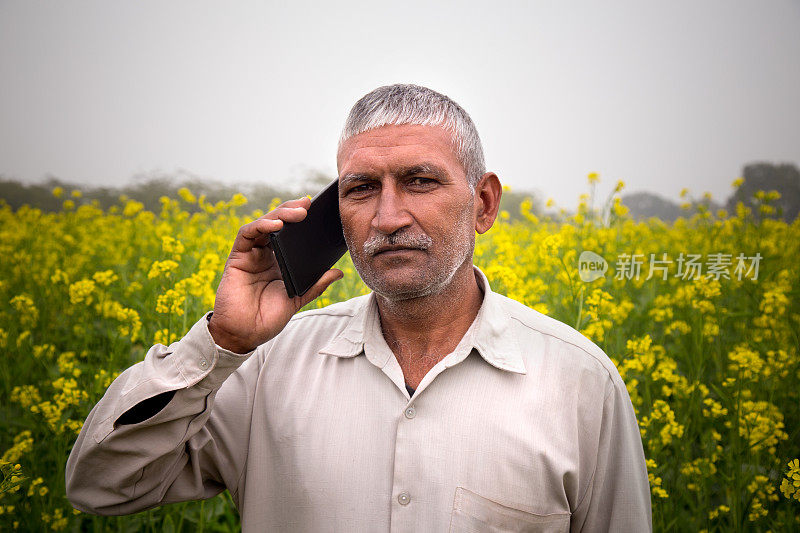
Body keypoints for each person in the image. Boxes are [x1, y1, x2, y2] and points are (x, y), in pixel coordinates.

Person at [66, 84, 652, 531]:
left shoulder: (580, 382)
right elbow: (102, 485)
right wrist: (221, 343)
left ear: (483, 202)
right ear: (333, 212)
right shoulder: (265, 365)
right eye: (360, 188)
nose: (388, 217)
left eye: (420, 181)